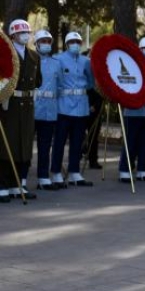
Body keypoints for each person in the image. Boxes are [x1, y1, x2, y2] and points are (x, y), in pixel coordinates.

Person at [0, 19, 41, 202]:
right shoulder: (6, 55)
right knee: (7, 146)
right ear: (13, 35)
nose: (25, 35)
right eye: (21, 32)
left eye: (27, 32)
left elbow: (37, 81)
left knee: (24, 145)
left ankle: (19, 184)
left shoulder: (34, 56)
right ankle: (3, 185)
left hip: (27, 105)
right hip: (10, 105)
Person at [50, 31, 94, 187]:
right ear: (67, 44)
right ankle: (56, 172)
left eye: (78, 42)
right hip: (63, 106)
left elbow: (91, 81)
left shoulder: (86, 61)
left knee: (78, 141)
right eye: (72, 42)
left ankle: (74, 172)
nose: (75, 44)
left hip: (81, 106)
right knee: (60, 141)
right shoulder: (57, 59)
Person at [118, 37, 145, 183]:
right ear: (139, 49)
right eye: (144, 49)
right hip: (133, 108)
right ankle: (124, 169)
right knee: (130, 140)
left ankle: (142, 169)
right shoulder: (132, 65)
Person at [33, 29, 61, 191]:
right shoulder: (30, 59)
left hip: (50, 110)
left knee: (45, 146)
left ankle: (43, 177)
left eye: (48, 41)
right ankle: (21, 178)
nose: (46, 44)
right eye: (42, 41)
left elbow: (61, 85)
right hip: (32, 108)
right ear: (36, 44)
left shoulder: (56, 63)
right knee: (25, 146)